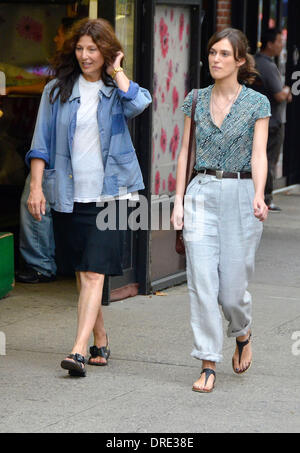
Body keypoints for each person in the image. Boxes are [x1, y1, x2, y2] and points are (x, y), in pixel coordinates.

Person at [25, 18, 151, 377]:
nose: (84, 55)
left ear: (106, 52)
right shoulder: (56, 91)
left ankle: (77, 351)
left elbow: (140, 102)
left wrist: (118, 71)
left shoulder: (116, 91)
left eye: (93, 49)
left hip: (115, 195)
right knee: (83, 273)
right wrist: (36, 188)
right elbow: (40, 145)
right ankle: (100, 336)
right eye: (80, 48)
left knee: (94, 272)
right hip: (68, 194)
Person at [171, 28, 270, 393]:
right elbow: (185, 153)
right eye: (213, 52)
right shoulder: (194, 100)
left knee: (231, 291)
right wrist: (178, 202)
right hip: (201, 193)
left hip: (242, 194)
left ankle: (242, 332)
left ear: (240, 61)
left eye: (224, 54)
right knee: (201, 284)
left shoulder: (258, 103)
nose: (216, 59)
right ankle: (208, 361)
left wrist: (259, 194)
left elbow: (259, 154)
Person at [16, 17, 78, 283]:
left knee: (35, 192)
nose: (54, 38)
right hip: (57, 153)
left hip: (63, 157)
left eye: (60, 33)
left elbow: (137, 101)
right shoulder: (59, 76)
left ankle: (41, 263)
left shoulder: (68, 72)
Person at [254, 28, 293, 212]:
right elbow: (279, 95)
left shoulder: (256, 62)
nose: (281, 46)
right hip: (273, 122)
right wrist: (286, 91)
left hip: (262, 119)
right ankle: (266, 198)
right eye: (279, 42)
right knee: (268, 160)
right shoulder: (268, 66)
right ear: (269, 44)